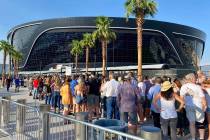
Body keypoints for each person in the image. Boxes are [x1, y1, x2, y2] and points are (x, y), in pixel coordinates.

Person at [180, 73, 207, 140]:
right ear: (191, 79)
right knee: (200, 123)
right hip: (198, 106)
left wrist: (183, 106)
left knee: (191, 123)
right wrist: (205, 106)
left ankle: (193, 138)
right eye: (195, 78)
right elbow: (203, 98)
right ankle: (201, 138)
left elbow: (181, 98)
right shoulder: (197, 87)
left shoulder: (183, 87)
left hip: (188, 106)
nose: (196, 79)